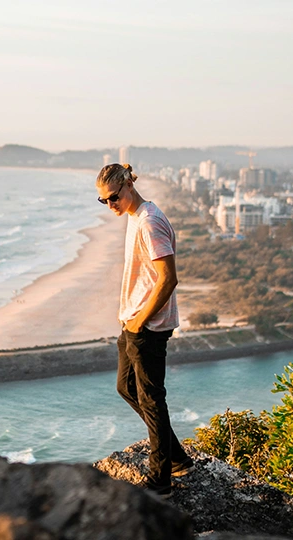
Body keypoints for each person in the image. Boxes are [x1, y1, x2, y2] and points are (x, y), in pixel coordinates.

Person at [95, 163, 194, 499]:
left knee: (152, 400)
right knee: (126, 387)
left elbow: (169, 278)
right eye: (103, 201)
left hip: (147, 325)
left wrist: (140, 321)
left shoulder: (149, 222)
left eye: (113, 197)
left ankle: (160, 480)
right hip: (134, 321)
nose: (110, 205)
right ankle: (178, 457)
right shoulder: (137, 217)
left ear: (128, 185)